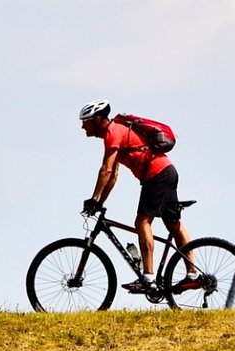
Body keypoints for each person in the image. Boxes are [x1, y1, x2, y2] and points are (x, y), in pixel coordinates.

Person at [79, 100, 199, 296]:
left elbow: (106, 170)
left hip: (157, 175)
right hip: (166, 172)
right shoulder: (116, 132)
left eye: (86, 121)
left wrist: (93, 199)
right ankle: (193, 276)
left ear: (97, 119)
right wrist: (100, 203)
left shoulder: (112, 132)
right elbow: (113, 175)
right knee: (173, 224)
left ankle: (148, 278)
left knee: (142, 221)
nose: (82, 126)